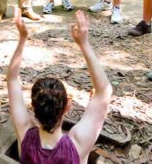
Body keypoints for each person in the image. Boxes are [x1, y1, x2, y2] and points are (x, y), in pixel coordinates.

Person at [7, 9, 112, 163]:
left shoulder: (25, 135)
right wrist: (84, 43)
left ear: (33, 107)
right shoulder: (77, 144)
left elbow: (12, 80)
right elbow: (104, 91)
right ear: (68, 106)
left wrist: (23, 38)